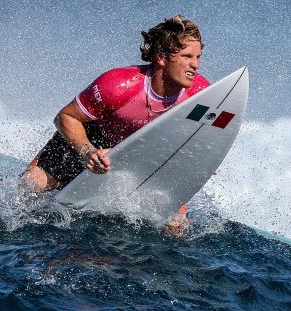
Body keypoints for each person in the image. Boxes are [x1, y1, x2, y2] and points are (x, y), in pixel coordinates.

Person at [21, 14, 210, 234]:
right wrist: (87, 151)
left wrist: (204, 153)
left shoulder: (200, 95)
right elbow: (65, 117)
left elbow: (204, 133)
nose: (195, 65)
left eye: (198, 57)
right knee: (28, 187)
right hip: (94, 139)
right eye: (187, 56)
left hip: (148, 153)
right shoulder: (119, 85)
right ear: (161, 57)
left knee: (177, 228)